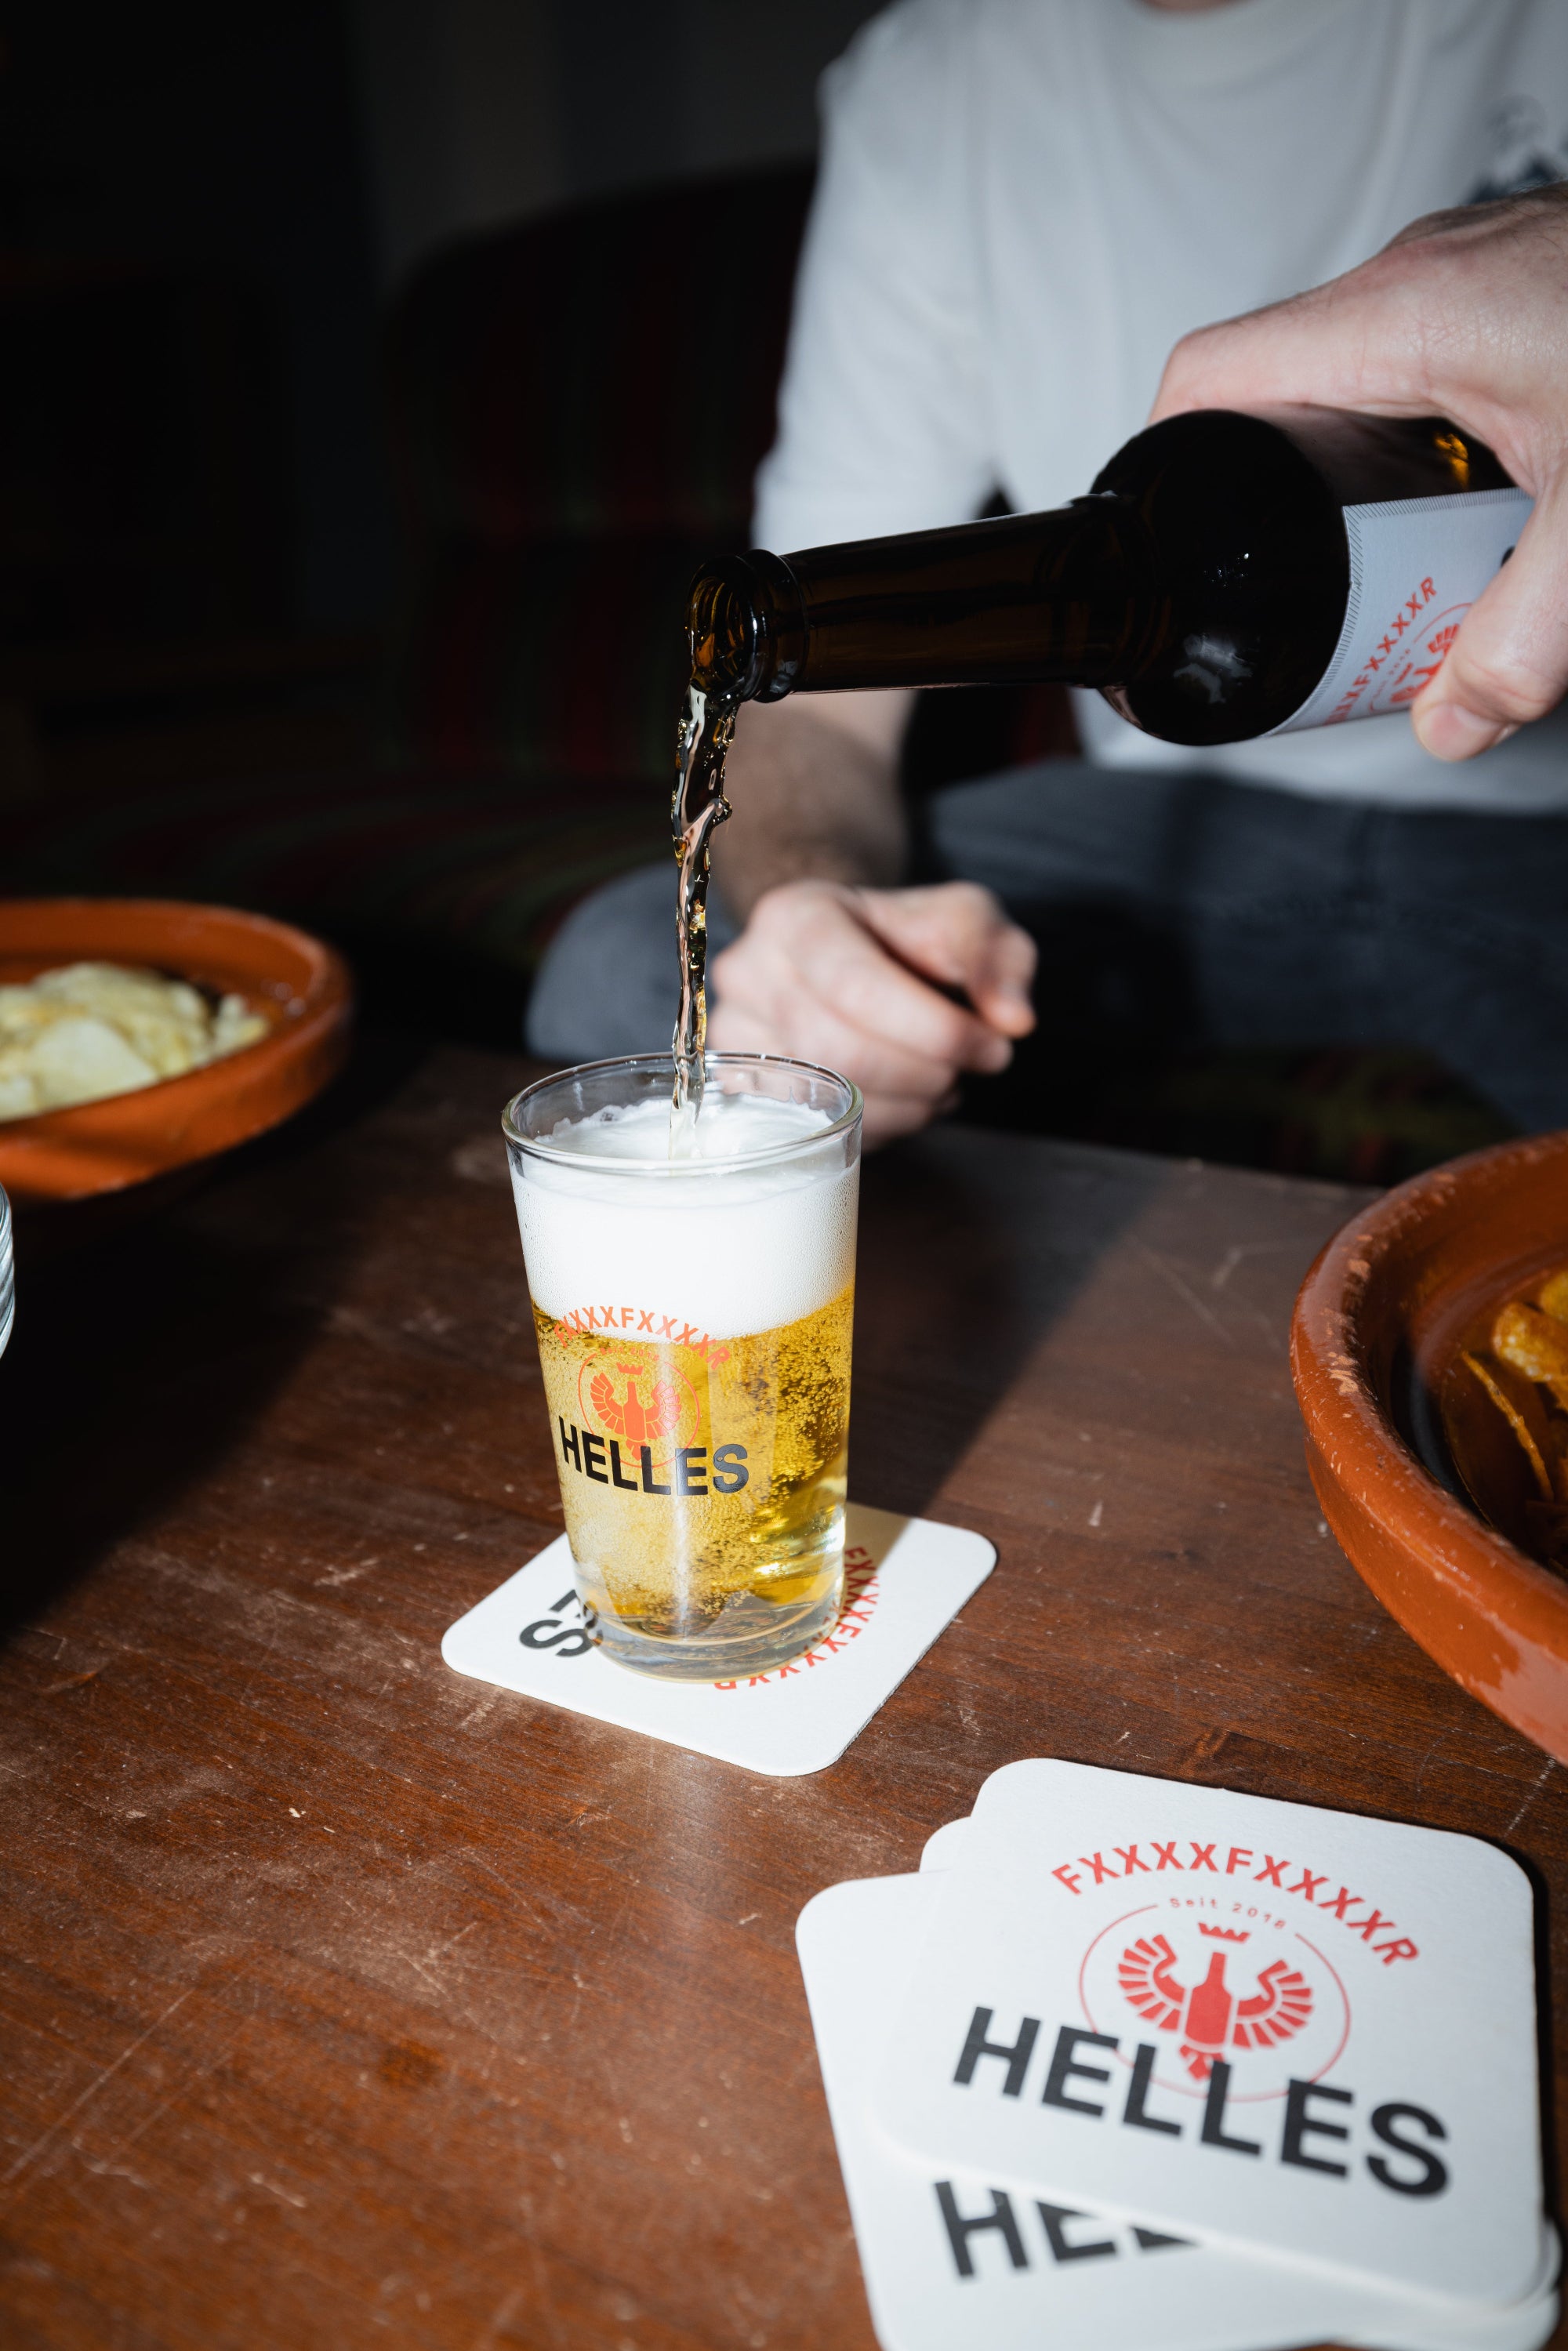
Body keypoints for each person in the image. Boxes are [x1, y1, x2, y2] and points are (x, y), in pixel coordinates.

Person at [528, 0, 1568, 1145]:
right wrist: (819, 916)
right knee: (636, 977)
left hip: (1544, 825)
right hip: (1178, 817)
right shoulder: (940, 78)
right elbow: (812, 715)